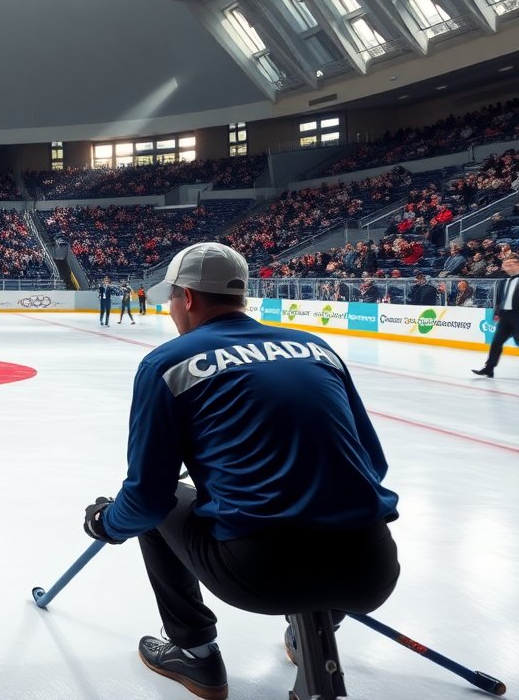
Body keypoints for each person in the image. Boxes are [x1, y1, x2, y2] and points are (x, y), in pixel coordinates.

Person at [82, 242, 399, 700]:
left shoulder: (167, 363)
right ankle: (315, 631)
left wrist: (107, 524)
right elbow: (373, 464)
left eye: (172, 298)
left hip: (264, 575)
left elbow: (148, 498)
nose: (171, 309)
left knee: (162, 505)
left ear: (188, 298)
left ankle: (194, 652)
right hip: (371, 570)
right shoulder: (317, 348)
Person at [473, 253, 519, 378]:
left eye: (511, 264)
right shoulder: (503, 281)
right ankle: (489, 368)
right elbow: (500, 300)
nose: (508, 267)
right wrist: (497, 313)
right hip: (505, 317)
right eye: (506, 264)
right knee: (496, 343)